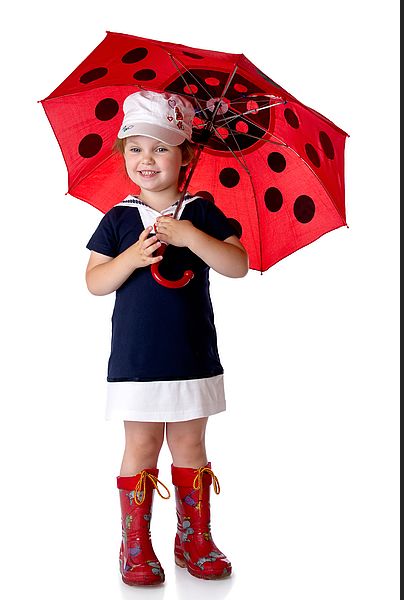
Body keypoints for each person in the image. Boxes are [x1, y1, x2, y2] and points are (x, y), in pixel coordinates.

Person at [85, 90, 248, 585]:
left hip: (192, 354)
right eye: (135, 148)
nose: (146, 159)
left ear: (187, 154)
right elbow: (95, 281)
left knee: (189, 443)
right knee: (141, 443)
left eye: (160, 147)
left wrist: (190, 237)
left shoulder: (201, 212)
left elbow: (237, 264)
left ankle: (193, 537)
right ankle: (134, 545)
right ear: (123, 156)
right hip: (137, 358)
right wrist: (131, 258)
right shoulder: (119, 219)